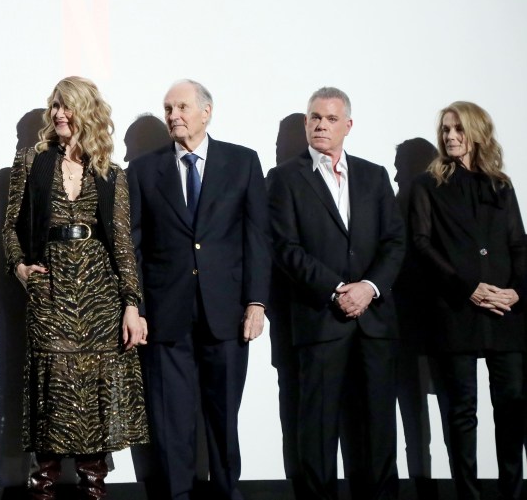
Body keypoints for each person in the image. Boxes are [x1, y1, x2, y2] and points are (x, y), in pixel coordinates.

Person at [2, 76, 149, 500]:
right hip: (49, 291)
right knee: (51, 387)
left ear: (87, 112)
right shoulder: (33, 161)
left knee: (96, 390)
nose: (59, 114)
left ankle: (93, 487)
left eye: (67, 106)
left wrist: (131, 304)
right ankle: (43, 485)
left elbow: (122, 244)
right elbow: (10, 226)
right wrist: (20, 268)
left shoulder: (111, 173)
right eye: (55, 107)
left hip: (100, 293)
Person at [127, 79, 271, 500]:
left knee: (224, 419)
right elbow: (134, 245)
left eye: (182, 107)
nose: (174, 116)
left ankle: (229, 493)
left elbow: (258, 239)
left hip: (226, 314)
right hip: (166, 317)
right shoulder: (143, 170)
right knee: (172, 425)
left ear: (206, 112)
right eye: (168, 109)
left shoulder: (242, 162)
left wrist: (256, 302)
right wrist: (134, 306)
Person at [267, 86, 405, 500]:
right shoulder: (283, 178)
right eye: (314, 118)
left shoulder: (375, 175)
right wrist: (336, 289)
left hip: (374, 322)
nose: (320, 125)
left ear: (348, 125)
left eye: (329, 118)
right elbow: (285, 248)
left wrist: (369, 287)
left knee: (378, 430)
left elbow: (395, 241)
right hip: (320, 321)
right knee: (317, 433)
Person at [409, 102, 526, 500]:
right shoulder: (428, 186)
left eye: (458, 129)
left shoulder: (500, 185)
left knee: (512, 410)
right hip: (455, 312)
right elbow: (421, 246)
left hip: (504, 313)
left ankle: (512, 493)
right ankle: (468, 496)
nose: (450, 136)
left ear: (477, 132)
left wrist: (517, 291)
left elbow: (518, 245)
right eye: (445, 130)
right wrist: (466, 287)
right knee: (461, 414)